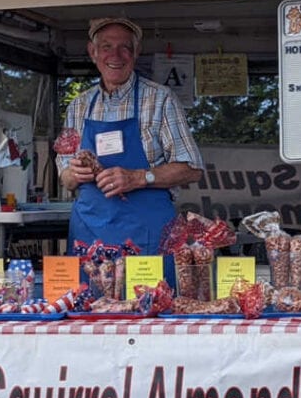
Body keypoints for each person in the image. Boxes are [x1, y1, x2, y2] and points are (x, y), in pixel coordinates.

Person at [56, 17, 204, 285]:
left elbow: (192, 169)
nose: (115, 55)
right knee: (87, 317)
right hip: (89, 235)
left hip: (145, 234)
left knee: (150, 315)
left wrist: (138, 177)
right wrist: (73, 174)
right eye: (106, 47)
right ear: (92, 52)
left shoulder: (160, 99)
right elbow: (64, 177)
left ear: (136, 53)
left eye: (125, 47)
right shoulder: (78, 106)